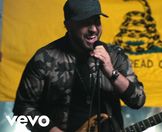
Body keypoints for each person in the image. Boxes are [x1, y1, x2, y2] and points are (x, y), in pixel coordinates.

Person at [13, 0, 146, 131]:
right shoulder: (44, 59)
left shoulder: (115, 55)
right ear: (68, 25)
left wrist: (111, 71)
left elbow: (138, 101)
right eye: (85, 22)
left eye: (96, 21)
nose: (93, 29)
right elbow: (22, 110)